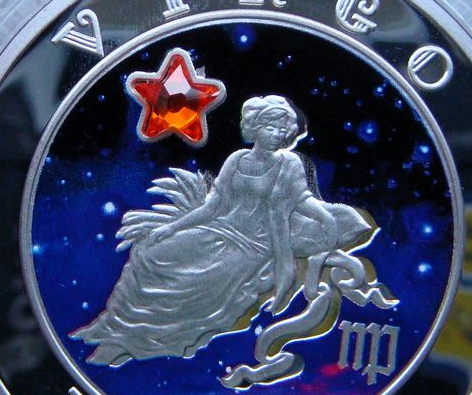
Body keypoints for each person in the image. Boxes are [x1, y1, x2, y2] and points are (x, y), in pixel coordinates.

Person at [71, 95, 377, 367]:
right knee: (151, 253)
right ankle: (113, 328)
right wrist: (172, 228)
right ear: (255, 128)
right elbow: (213, 208)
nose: (277, 134)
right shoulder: (236, 160)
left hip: (255, 246)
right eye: (270, 127)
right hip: (219, 230)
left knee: (198, 279)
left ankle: (142, 344)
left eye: (281, 129)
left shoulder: (289, 165)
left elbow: (303, 201)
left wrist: (327, 220)